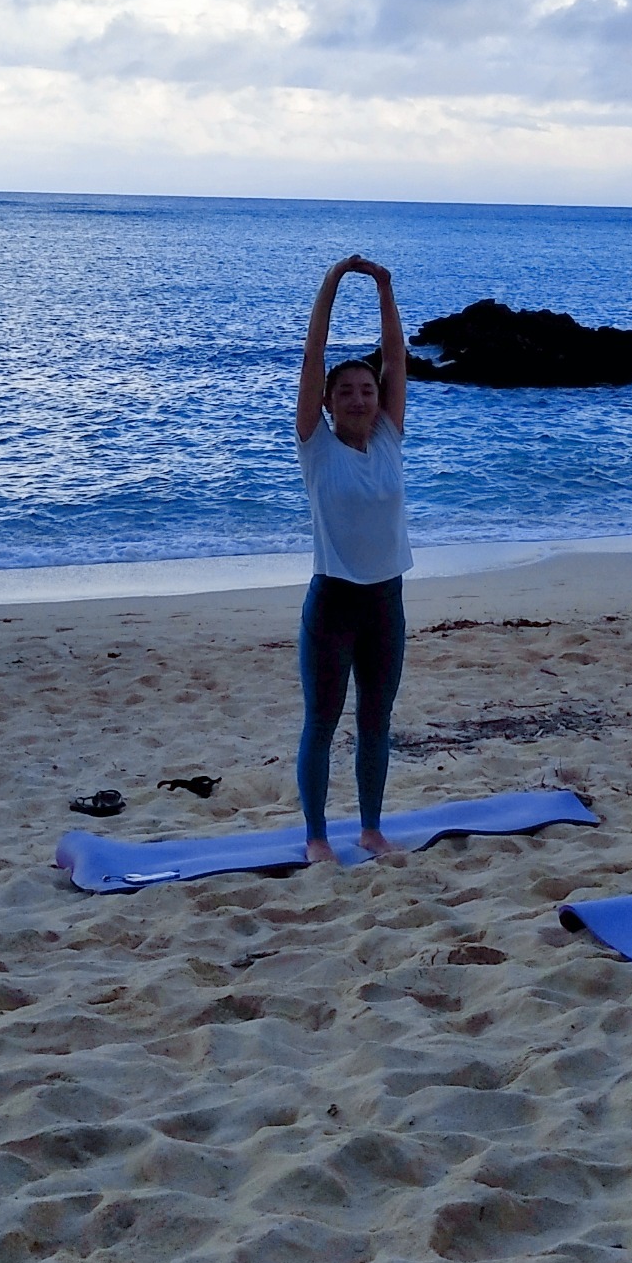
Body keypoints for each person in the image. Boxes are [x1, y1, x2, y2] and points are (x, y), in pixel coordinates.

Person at [292, 254, 411, 867]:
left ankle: (370, 828)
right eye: (347, 392)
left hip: (385, 602)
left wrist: (385, 289)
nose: (360, 398)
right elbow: (314, 357)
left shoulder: (390, 434)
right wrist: (332, 286)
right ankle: (316, 836)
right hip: (334, 601)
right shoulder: (316, 447)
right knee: (321, 721)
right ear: (330, 403)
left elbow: (396, 356)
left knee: (375, 721)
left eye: (367, 390)